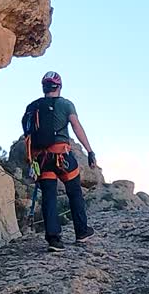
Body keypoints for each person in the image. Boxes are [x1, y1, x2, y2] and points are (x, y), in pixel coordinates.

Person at [21, 71, 98, 251]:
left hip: (42, 159)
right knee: (74, 191)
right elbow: (76, 127)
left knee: (49, 197)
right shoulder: (65, 104)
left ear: (44, 87)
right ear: (59, 87)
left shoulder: (34, 106)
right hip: (61, 155)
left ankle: (54, 240)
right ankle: (81, 232)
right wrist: (90, 151)